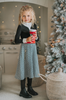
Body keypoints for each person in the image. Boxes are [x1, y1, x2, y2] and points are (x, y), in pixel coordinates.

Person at [15, 5, 40, 98]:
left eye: (28, 16)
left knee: (31, 67)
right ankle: (22, 90)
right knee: (24, 68)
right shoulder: (20, 26)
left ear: (32, 16)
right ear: (21, 16)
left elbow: (37, 39)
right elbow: (16, 40)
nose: (26, 18)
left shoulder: (34, 25)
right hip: (24, 50)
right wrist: (26, 39)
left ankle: (29, 87)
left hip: (32, 49)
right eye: (24, 16)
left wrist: (36, 37)